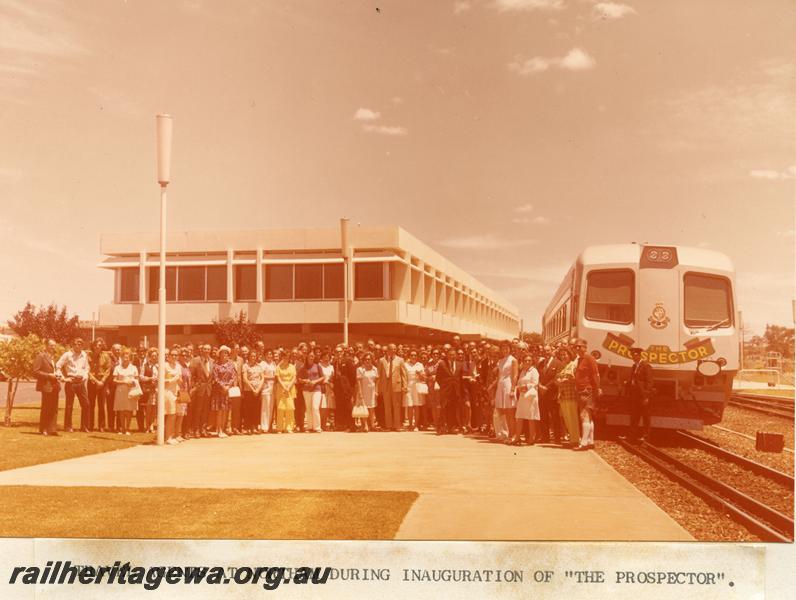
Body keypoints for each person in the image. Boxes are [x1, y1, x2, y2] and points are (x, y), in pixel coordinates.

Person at [56, 338, 90, 433]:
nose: (78, 346)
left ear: (82, 346)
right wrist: (62, 378)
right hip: (71, 381)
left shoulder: (84, 355)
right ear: (73, 345)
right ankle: (68, 426)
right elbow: (58, 365)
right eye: (76, 344)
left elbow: (87, 368)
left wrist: (85, 376)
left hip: (81, 382)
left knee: (86, 404)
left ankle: (84, 426)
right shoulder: (67, 355)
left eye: (80, 344)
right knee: (69, 405)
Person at [573, 339, 601, 451]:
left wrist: (597, 388)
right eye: (576, 347)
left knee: (584, 415)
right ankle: (590, 441)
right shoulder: (580, 359)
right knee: (588, 416)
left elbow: (595, 375)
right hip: (581, 390)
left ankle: (583, 443)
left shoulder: (589, 358)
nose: (577, 348)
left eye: (579, 346)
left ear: (585, 347)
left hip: (587, 390)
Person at [32, 339, 60, 436]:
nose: (53, 347)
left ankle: (52, 428)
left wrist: (60, 375)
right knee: (46, 408)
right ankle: (44, 428)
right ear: (46, 345)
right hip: (46, 385)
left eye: (54, 345)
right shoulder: (41, 356)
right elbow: (35, 372)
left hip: (55, 385)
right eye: (51, 345)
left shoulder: (55, 357)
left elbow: (57, 369)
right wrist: (48, 375)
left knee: (54, 408)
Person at [626, 347, 654, 441]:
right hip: (635, 395)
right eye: (632, 355)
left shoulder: (646, 366)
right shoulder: (635, 366)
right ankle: (631, 436)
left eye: (634, 355)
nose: (633, 357)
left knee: (646, 416)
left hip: (643, 395)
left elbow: (649, 382)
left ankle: (646, 436)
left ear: (639, 355)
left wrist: (646, 396)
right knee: (634, 416)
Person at [493, 341, 519, 444]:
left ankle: (513, 436)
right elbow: (498, 376)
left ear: (510, 349)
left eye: (507, 348)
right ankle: (508, 434)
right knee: (502, 412)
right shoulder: (500, 361)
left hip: (509, 386)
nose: (505, 350)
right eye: (503, 348)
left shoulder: (513, 360)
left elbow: (515, 375)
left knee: (510, 413)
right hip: (501, 386)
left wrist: (513, 389)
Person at [377, 344, 407, 431]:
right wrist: (378, 388)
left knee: (397, 406)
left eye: (395, 349)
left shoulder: (400, 360)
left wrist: (404, 386)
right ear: (387, 350)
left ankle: (397, 425)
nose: (393, 351)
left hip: (396, 385)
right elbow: (379, 375)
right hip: (385, 386)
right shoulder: (381, 360)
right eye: (391, 349)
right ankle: (388, 426)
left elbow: (404, 374)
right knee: (387, 407)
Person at [537, 345, 563, 444]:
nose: (546, 352)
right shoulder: (540, 363)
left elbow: (557, 377)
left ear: (552, 351)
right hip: (542, 394)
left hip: (552, 394)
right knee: (543, 416)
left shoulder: (558, 363)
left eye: (548, 350)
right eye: (544, 350)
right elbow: (537, 376)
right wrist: (540, 386)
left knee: (554, 416)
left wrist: (546, 387)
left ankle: (557, 438)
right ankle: (545, 437)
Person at [555, 347, 580, 447]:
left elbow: (576, 379)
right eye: (561, 355)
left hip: (571, 395)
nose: (563, 356)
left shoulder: (573, 365)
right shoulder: (562, 366)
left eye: (565, 354)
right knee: (567, 419)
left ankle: (575, 440)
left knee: (573, 418)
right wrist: (558, 382)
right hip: (563, 396)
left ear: (570, 355)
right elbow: (556, 378)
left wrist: (566, 380)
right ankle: (572, 440)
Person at [514, 353, 540, 445]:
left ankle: (532, 438)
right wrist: (519, 387)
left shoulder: (534, 371)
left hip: (530, 397)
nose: (527, 362)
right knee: (520, 417)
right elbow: (519, 382)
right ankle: (517, 437)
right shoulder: (523, 371)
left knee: (531, 418)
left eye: (529, 360)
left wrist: (525, 386)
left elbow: (535, 383)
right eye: (525, 360)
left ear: (532, 361)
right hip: (522, 396)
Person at [436, 348, 463, 435]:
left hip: (455, 391)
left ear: (455, 355)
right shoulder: (442, 364)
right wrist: (444, 386)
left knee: (453, 409)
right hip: (445, 390)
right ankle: (441, 428)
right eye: (450, 355)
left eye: (453, 355)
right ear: (447, 355)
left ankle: (452, 427)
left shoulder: (459, 364)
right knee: (443, 408)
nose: (452, 356)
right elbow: (438, 378)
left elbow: (460, 378)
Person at [87, 338, 112, 432]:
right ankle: (90, 425)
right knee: (91, 404)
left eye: (100, 345)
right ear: (93, 346)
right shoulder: (88, 356)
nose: (98, 347)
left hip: (102, 382)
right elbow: (87, 370)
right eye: (96, 345)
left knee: (101, 405)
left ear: (102, 346)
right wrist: (95, 380)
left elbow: (108, 369)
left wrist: (102, 381)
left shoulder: (105, 356)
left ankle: (101, 426)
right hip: (92, 382)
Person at [189, 344, 214, 437]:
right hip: (199, 389)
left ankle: (203, 429)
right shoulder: (196, 360)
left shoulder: (212, 361)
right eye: (205, 349)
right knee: (198, 410)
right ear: (201, 350)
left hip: (208, 390)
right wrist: (195, 386)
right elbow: (191, 375)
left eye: (208, 349)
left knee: (206, 410)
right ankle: (196, 430)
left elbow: (212, 376)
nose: (207, 351)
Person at [112, 349, 139, 435]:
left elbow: (137, 379)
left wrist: (133, 382)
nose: (126, 358)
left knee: (129, 410)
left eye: (127, 357)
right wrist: (124, 382)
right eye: (124, 356)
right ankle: (122, 429)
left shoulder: (134, 368)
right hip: (120, 391)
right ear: (121, 357)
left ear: (130, 358)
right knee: (121, 410)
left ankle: (127, 428)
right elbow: (114, 380)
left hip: (130, 391)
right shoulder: (117, 368)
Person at [211, 346, 236, 437]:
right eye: (223, 353)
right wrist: (222, 386)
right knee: (219, 411)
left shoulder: (231, 365)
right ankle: (219, 430)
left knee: (225, 410)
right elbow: (215, 377)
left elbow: (233, 377)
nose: (224, 354)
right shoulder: (216, 365)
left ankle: (223, 428)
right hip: (219, 391)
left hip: (227, 390)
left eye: (226, 353)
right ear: (219, 354)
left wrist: (228, 386)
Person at [298, 350, 325, 433]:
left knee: (315, 407)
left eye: (313, 356)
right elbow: (299, 379)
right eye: (310, 355)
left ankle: (317, 427)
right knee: (309, 408)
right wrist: (305, 381)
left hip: (316, 389)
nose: (311, 357)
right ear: (307, 357)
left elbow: (323, 377)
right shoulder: (303, 367)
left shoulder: (317, 366)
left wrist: (315, 381)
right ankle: (310, 427)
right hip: (306, 390)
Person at [332, 346, 355, 432]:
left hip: (347, 388)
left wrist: (351, 388)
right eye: (337, 352)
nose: (339, 353)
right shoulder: (334, 362)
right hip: (338, 389)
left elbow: (352, 376)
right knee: (340, 407)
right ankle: (342, 425)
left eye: (340, 352)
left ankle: (351, 425)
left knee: (349, 407)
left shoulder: (348, 361)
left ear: (343, 352)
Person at [242, 351, 264, 434]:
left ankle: (254, 427)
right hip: (248, 390)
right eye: (251, 356)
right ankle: (248, 427)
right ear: (249, 356)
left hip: (258, 390)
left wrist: (258, 389)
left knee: (256, 409)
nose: (253, 357)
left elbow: (262, 378)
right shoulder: (245, 366)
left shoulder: (259, 366)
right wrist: (253, 389)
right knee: (248, 409)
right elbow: (245, 378)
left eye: (254, 356)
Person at [163, 349, 182, 444]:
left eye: (176, 355)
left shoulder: (178, 366)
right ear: (169, 356)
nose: (174, 357)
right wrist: (173, 380)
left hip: (175, 392)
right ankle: (167, 437)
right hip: (167, 392)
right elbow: (161, 380)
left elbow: (180, 379)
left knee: (174, 414)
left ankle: (171, 435)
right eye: (172, 355)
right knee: (170, 414)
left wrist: (179, 380)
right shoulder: (165, 366)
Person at [356, 353, 379, 432]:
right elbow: (358, 381)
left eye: (369, 359)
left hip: (372, 391)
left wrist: (376, 390)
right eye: (366, 359)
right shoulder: (360, 369)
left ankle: (372, 425)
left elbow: (377, 381)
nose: (367, 361)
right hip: (363, 390)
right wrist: (360, 392)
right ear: (363, 360)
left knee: (372, 409)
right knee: (364, 408)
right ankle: (365, 425)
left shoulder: (375, 369)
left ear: (372, 359)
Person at [275, 350, 297, 433]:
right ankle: (279, 428)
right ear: (282, 357)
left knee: (290, 409)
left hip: (290, 388)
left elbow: (294, 377)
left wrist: (289, 387)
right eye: (284, 356)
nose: (286, 358)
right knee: (280, 408)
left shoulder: (292, 366)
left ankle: (289, 428)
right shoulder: (278, 366)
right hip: (281, 388)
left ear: (289, 358)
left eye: (287, 357)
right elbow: (278, 377)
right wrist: (284, 387)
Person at [402, 350, 424, 431]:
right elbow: (403, 376)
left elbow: (423, 378)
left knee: (416, 406)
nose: (413, 357)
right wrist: (404, 386)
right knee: (410, 406)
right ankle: (410, 424)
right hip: (408, 386)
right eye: (411, 355)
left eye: (415, 355)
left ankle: (416, 425)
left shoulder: (420, 365)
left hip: (417, 386)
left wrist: (420, 374)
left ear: (417, 356)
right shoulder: (405, 364)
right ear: (409, 356)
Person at [259, 349, 277, 433]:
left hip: (273, 388)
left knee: (271, 407)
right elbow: (261, 375)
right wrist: (272, 378)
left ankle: (269, 426)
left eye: (271, 354)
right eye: (268, 354)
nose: (270, 356)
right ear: (264, 355)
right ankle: (264, 427)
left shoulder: (273, 363)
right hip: (266, 387)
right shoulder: (262, 364)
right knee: (265, 408)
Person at [318, 351, 335, 431]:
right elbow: (318, 377)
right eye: (324, 356)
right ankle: (321, 424)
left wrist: (331, 383)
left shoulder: (332, 367)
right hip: (322, 388)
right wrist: (326, 382)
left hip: (330, 388)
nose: (326, 358)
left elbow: (333, 377)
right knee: (322, 407)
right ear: (322, 357)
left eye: (328, 356)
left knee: (329, 407)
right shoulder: (319, 366)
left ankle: (327, 424)